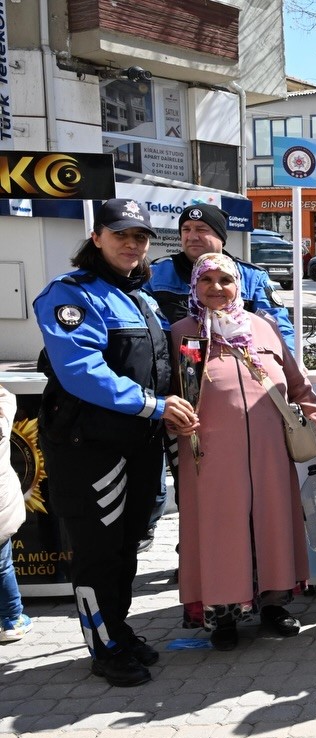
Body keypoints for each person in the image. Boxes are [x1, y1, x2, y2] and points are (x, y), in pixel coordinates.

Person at [33, 198, 199, 686]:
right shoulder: (70, 294)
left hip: (139, 443)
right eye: (121, 234)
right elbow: (82, 371)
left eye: (140, 237)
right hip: (91, 447)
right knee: (97, 550)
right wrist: (154, 405)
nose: (132, 244)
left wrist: (174, 406)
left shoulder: (141, 298)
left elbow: (162, 368)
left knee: (127, 545)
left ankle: (118, 630)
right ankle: (103, 647)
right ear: (97, 237)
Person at [171, 253, 316, 650]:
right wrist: (170, 417)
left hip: (269, 455)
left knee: (272, 526)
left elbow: (297, 385)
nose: (216, 287)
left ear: (239, 286)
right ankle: (223, 616)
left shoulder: (262, 329)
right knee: (221, 533)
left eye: (225, 280)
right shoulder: (180, 333)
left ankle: (274, 605)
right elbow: (165, 392)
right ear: (194, 286)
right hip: (208, 458)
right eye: (206, 279)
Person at [143, 203, 296, 547]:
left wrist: (282, 380)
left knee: (249, 483)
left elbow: (280, 332)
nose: (193, 237)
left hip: (242, 401)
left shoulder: (249, 276)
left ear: (221, 238)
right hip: (182, 401)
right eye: (186, 231)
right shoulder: (156, 275)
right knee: (190, 480)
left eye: (203, 231)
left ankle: (253, 555)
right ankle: (198, 552)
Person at [0, 385, 29, 642]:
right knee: (2, 565)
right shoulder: (2, 418)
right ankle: (12, 619)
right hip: (1, 509)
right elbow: (7, 396)